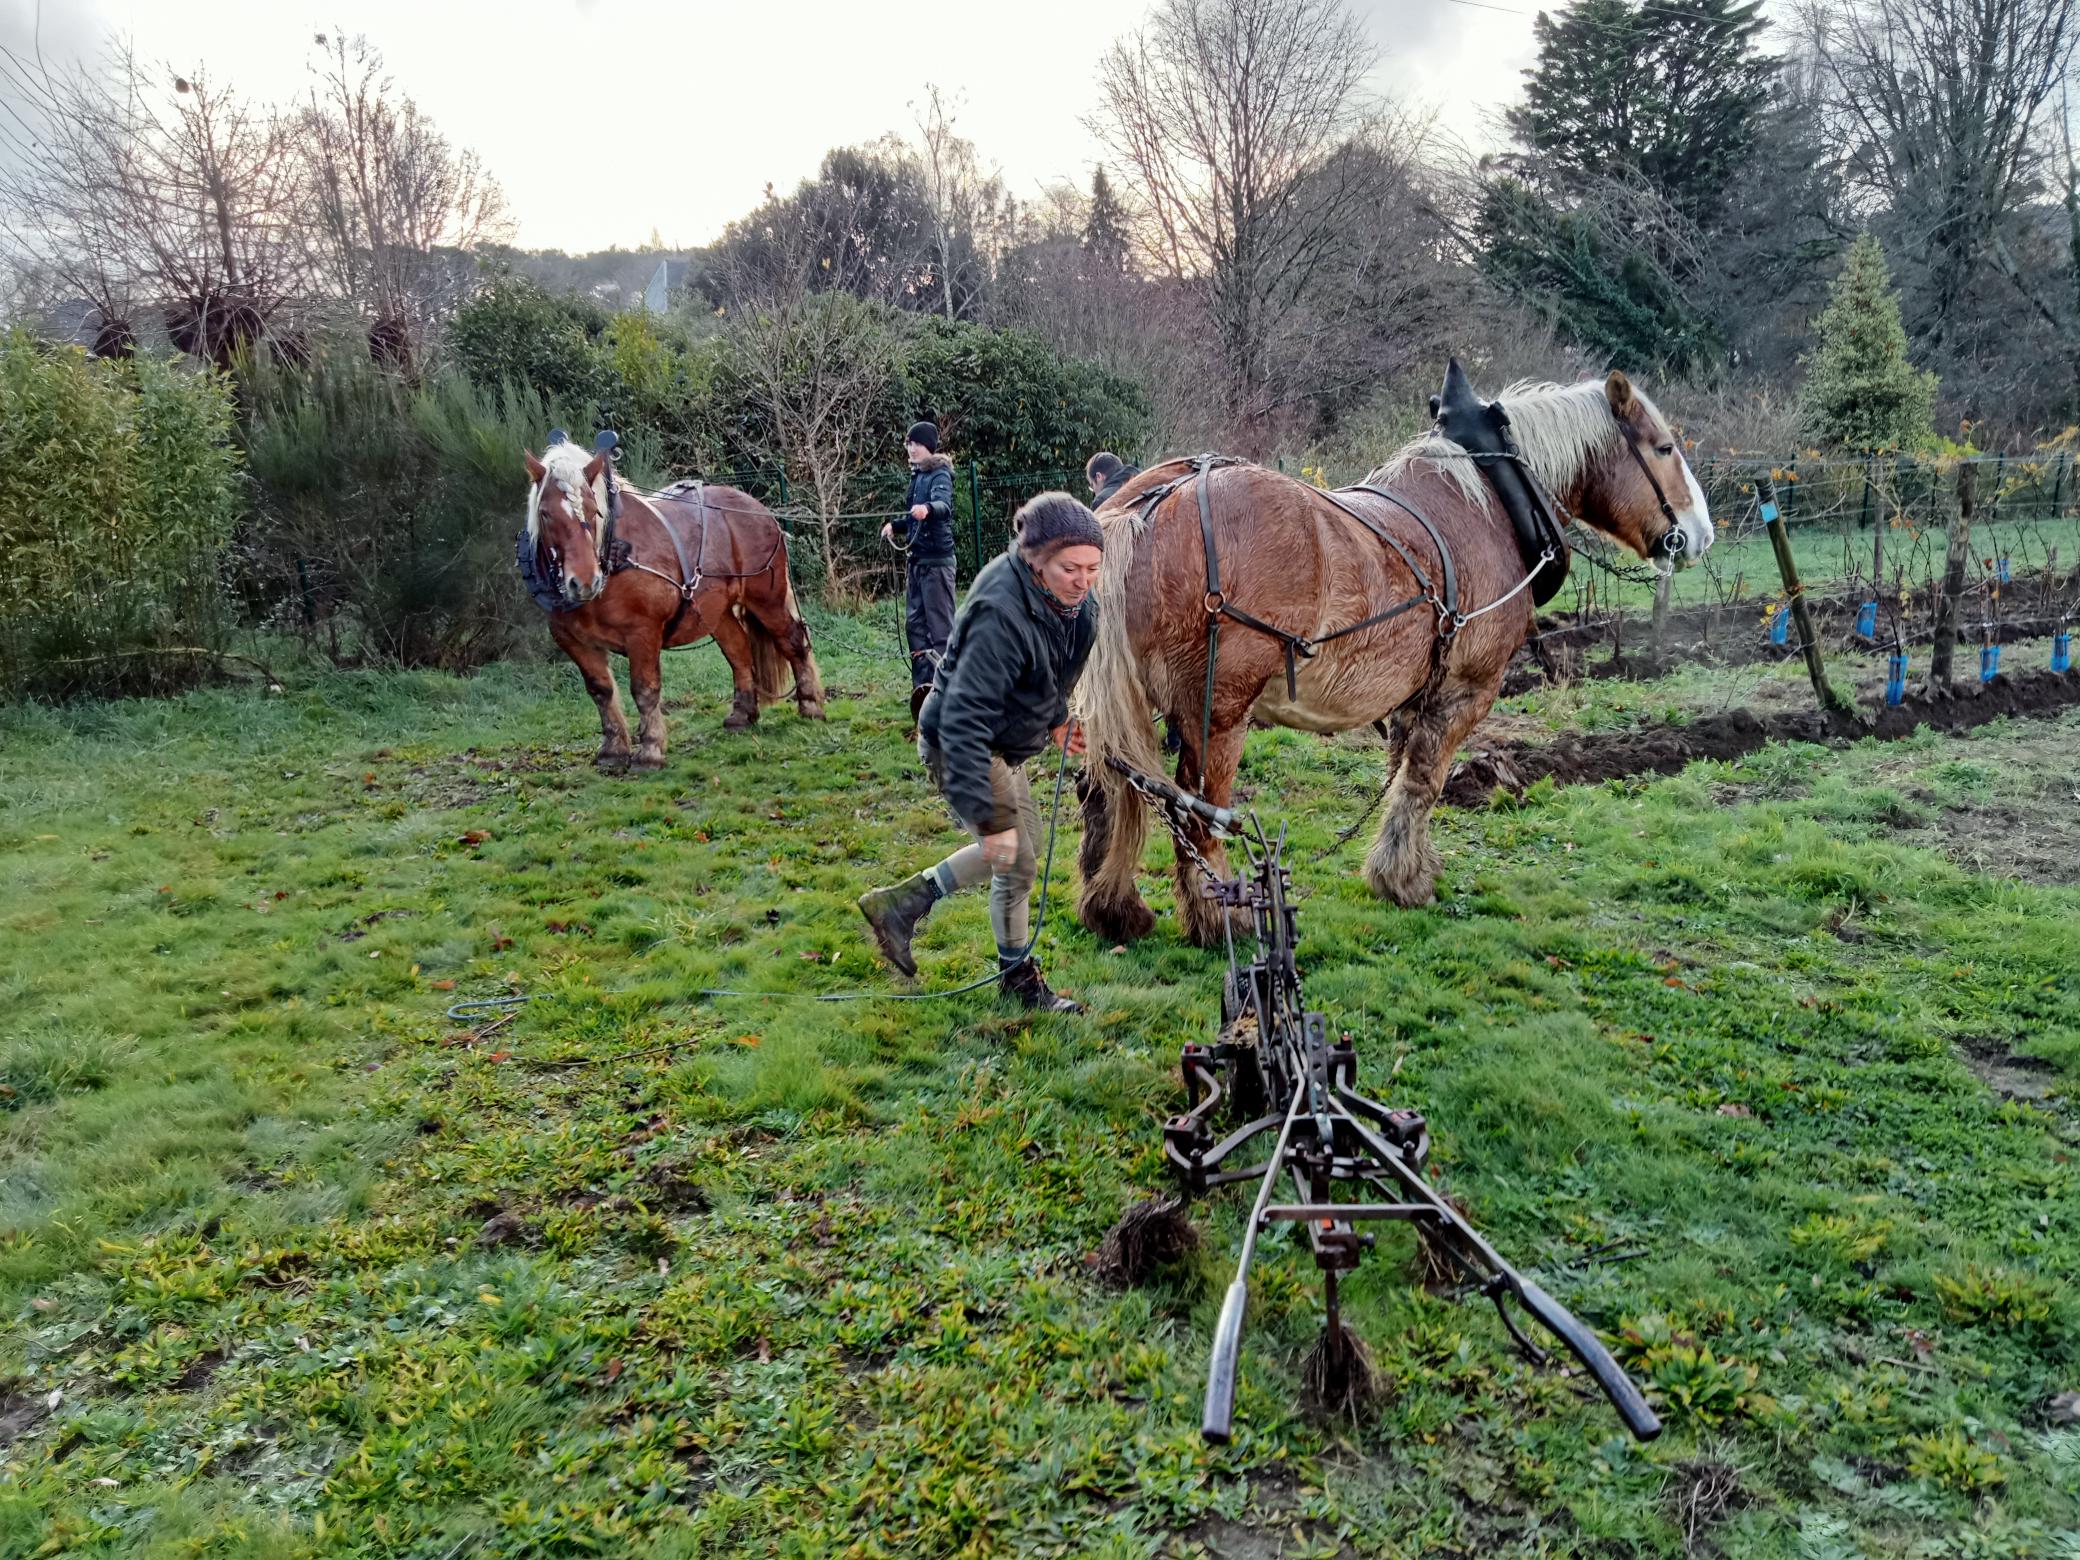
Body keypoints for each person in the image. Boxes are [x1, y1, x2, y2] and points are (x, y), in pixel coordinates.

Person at [858, 492, 1105, 1014]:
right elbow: (962, 720)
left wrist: (1058, 720)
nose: (1083, 580)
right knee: (1012, 858)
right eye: (1070, 568)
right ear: (1035, 559)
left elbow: (1045, 671)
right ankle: (1016, 980)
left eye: (1092, 568)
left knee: (1022, 849)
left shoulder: (1071, 606)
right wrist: (985, 816)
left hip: (1003, 744)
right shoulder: (999, 611)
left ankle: (901, 904)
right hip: (961, 743)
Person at [883, 420, 957, 730]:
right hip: (916, 561)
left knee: (940, 630)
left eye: (915, 442)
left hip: (937, 563)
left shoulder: (939, 473)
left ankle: (948, 693)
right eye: (907, 443)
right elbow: (913, 517)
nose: (910, 447)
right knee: (914, 625)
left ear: (928, 445)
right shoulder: (917, 476)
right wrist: (896, 526)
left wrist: (928, 507)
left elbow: (942, 506)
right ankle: (921, 690)